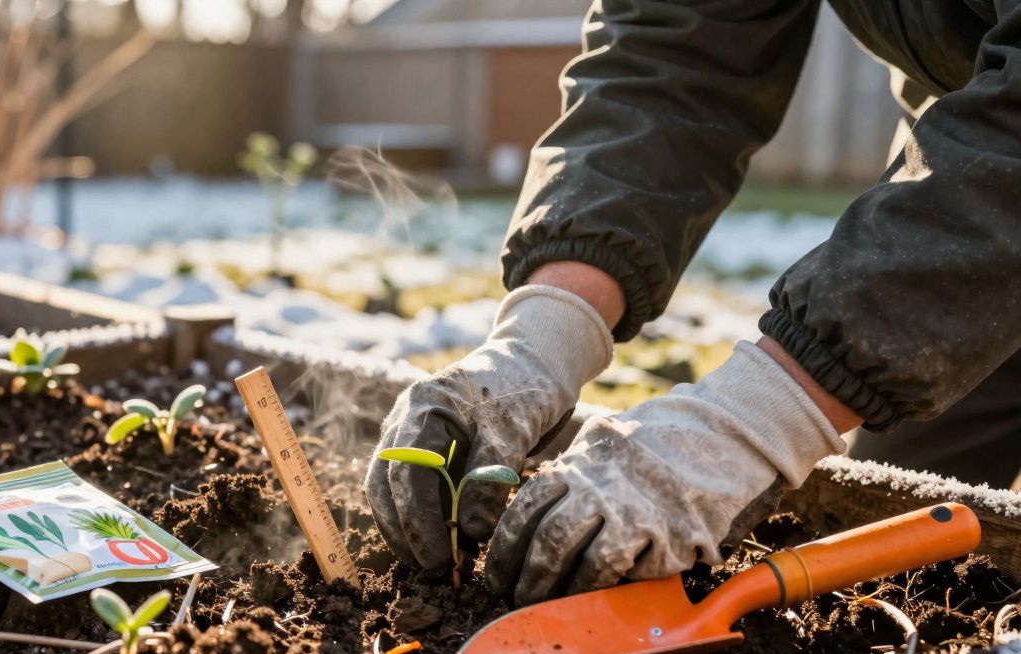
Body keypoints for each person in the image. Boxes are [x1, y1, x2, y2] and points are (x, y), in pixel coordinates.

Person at [366, 0, 1021, 607]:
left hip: (985, 199)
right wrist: (543, 337)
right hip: (959, 223)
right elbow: (671, 53)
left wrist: (755, 417)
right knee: (913, 564)